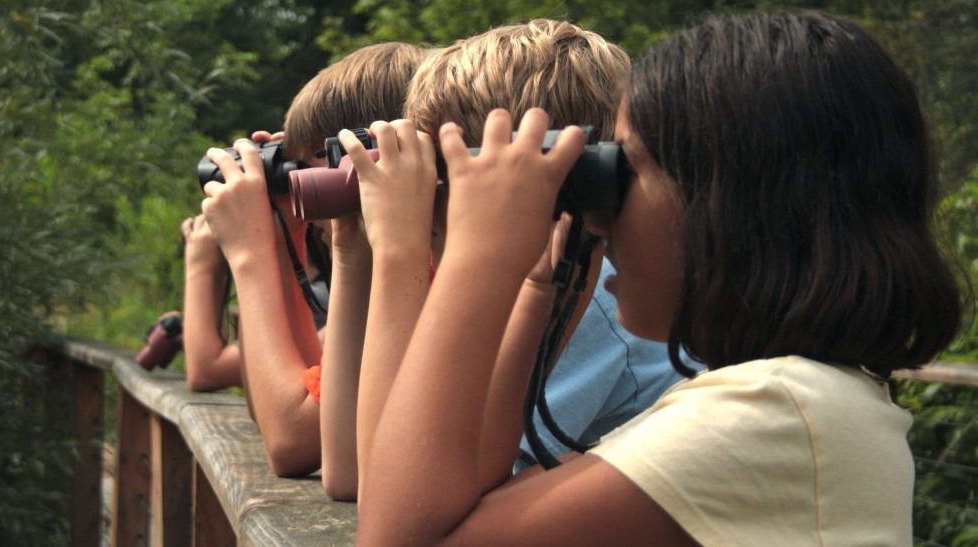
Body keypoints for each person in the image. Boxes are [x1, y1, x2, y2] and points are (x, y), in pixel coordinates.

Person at [358, 11, 964, 545]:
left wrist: (475, 257)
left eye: (629, 168)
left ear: (728, 204)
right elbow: (469, 497)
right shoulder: (786, 400)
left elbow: (400, 536)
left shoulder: (775, 410)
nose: (598, 215)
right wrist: (537, 291)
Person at [344, 19, 686, 495]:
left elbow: (385, 492)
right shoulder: (537, 280)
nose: (423, 189)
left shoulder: (600, 298)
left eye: (441, 167)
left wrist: (396, 250)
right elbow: (349, 473)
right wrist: (348, 247)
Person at [198, 42, 427, 481]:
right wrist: (284, 235)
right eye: (293, 170)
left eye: (312, 165)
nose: (301, 187)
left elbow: (295, 438)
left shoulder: (423, 266)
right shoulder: (392, 262)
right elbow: (302, 398)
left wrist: (251, 255)